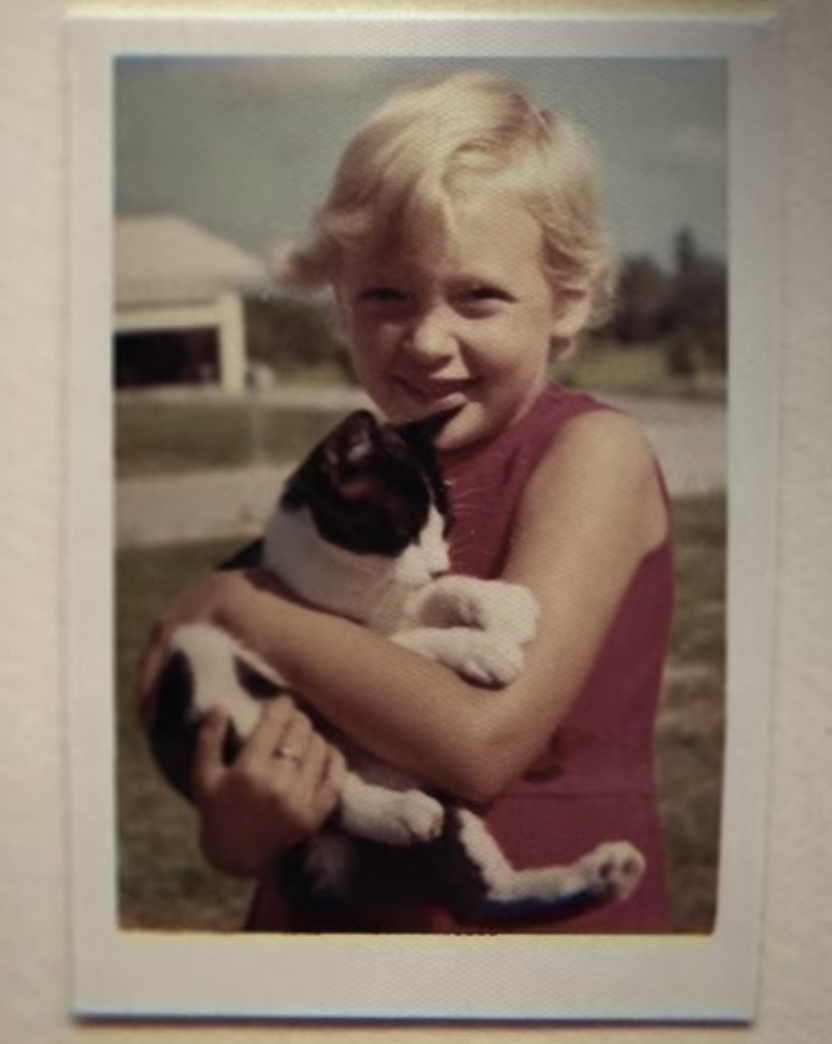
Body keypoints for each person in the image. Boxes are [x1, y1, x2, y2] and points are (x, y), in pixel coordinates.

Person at [138, 69, 673, 934]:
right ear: (339, 303)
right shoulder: (363, 481)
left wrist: (248, 606)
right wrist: (237, 827)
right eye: (385, 295)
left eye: (478, 296)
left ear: (566, 301)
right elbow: (257, 780)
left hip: (538, 957)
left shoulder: (590, 455)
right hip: (326, 943)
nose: (427, 341)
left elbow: (481, 744)